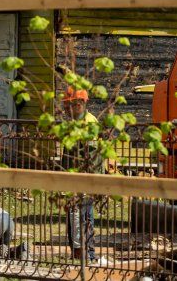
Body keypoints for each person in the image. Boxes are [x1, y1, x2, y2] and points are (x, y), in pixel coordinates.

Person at [61, 86, 106, 266]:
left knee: (84, 217)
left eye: (69, 106)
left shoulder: (88, 123)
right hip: (75, 179)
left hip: (85, 179)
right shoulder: (75, 123)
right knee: (75, 216)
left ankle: (88, 254)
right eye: (65, 106)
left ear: (79, 104)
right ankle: (79, 252)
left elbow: (92, 157)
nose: (66, 109)